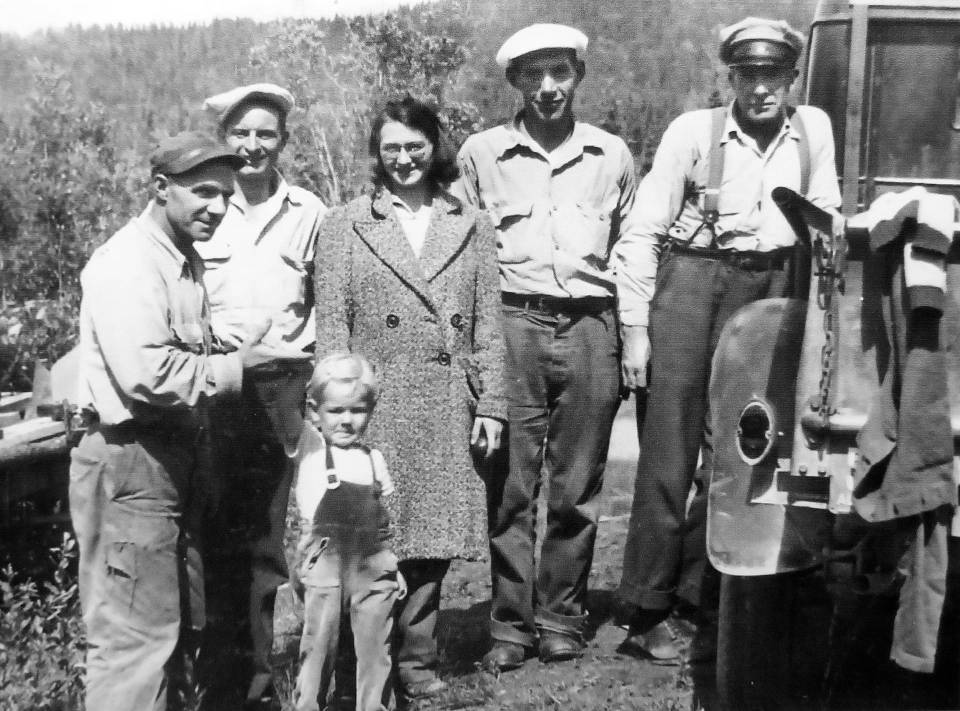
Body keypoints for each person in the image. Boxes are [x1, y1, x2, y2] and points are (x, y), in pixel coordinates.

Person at [614, 17, 842, 662]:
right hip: (692, 281)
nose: (761, 88)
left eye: (774, 74)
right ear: (731, 75)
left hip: (772, 283)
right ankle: (647, 606)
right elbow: (641, 232)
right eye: (748, 73)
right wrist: (636, 329)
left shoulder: (814, 128)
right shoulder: (694, 131)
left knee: (742, 448)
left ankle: (701, 599)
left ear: (791, 77)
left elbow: (823, 216)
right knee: (669, 448)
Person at [69, 131, 275, 711]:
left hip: (166, 462)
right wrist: (237, 366)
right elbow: (145, 373)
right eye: (203, 192)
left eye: (226, 196)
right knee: (135, 643)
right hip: (128, 459)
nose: (218, 207)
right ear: (160, 188)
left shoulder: (179, 258)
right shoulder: (128, 264)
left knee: (175, 628)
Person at [454, 24, 636, 670]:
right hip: (512, 325)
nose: (548, 87)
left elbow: (630, 248)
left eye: (559, 72)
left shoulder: (611, 154)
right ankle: (509, 625)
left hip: (592, 325)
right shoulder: (481, 154)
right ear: (514, 83)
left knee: (578, 486)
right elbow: (462, 255)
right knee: (509, 484)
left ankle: (562, 616)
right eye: (533, 75)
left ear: (578, 77)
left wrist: (630, 332)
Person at [314, 95, 506, 700]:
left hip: (447, 399)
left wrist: (493, 404)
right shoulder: (346, 223)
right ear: (376, 153)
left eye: (414, 146)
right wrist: (338, 408)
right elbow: (332, 326)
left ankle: (418, 664)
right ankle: (362, 665)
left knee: (430, 542)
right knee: (370, 536)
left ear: (435, 147)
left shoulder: (470, 223)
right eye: (391, 147)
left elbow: (488, 326)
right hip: (373, 404)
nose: (403, 158)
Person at [197, 83, 326, 706]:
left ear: (283, 142)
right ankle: (226, 681)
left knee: (271, 539)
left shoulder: (310, 212)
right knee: (217, 534)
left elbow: (328, 303)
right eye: (240, 134)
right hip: (213, 386)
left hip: (284, 386)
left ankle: (268, 683)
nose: (252, 146)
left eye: (265, 134)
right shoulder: (201, 206)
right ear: (223, 140)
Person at [288, 352, 406, 711]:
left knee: (375, 646)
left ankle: (374, 705)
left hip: (371, 563)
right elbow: (283, 408)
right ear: (315, 412)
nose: (346, 421)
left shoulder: (374, 460)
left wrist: (394, 565)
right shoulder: (309, 448)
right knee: (319, 643)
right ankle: (309, 704)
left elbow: (384, 520)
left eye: (357, 410)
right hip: (325, 562)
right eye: (336, 411)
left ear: (370, 410)